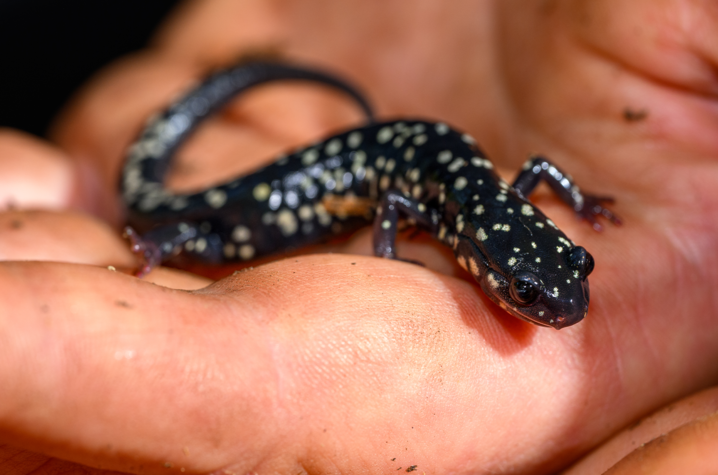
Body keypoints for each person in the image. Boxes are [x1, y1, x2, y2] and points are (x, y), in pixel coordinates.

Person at [1, 0, 717, 473]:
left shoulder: (481, 206)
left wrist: (581, 198)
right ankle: (171, 212)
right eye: (529, 291)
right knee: (214, 227)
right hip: (315, 175)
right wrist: (384, 252)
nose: (557, 303)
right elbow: (407, 195)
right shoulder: (445, 210)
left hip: (376, 154)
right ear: (481, 252)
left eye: (570, 268)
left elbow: (532, 168)